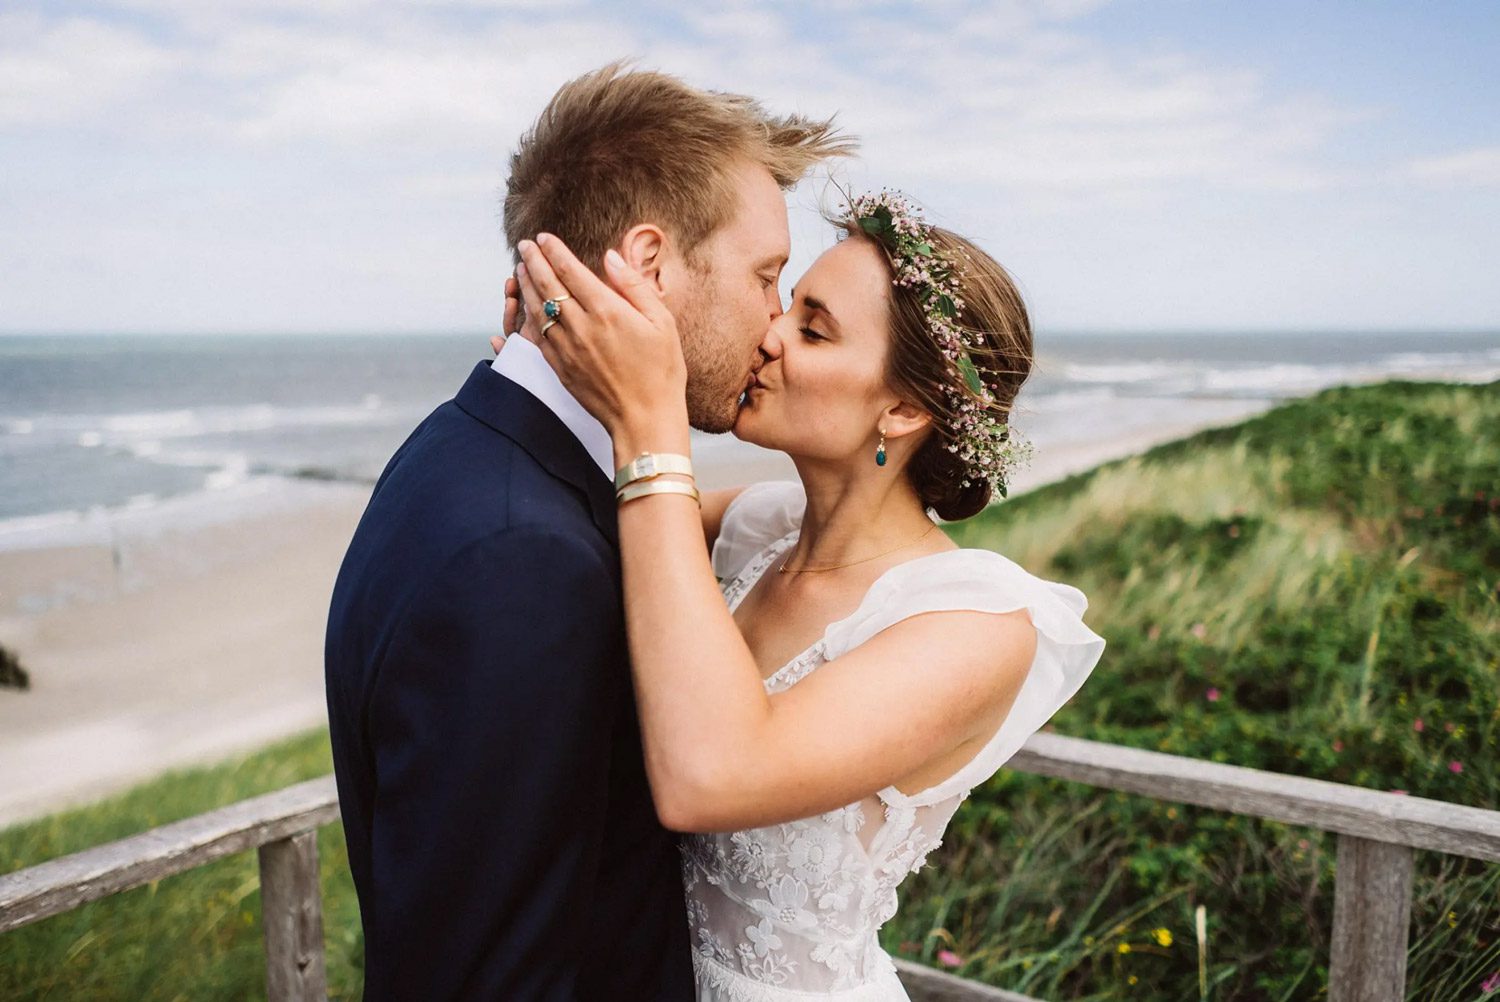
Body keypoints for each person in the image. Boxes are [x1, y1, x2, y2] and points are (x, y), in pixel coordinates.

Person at [324, 63, 852, 1001]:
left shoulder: (471, 448)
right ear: (649, 266)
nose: (774, 323)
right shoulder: (522, 558)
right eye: (767, 277)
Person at [504, 189, 1107, 1000]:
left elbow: (709, 777)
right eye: (784, 304)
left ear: (901, 409)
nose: (769, 335)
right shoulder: (757, 526)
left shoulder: (978, 621)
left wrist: (649, 421)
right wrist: (554, 372)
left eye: (813, 329)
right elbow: (576, 528)